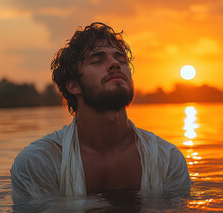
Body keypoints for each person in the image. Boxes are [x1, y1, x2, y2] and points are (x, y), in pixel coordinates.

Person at [10, 22, 191, 198]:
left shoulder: (166, 160)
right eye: (97, 60)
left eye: (121, 59)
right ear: (73, 85)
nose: (115, 64)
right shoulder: (39, 162)